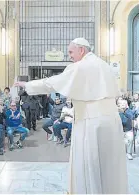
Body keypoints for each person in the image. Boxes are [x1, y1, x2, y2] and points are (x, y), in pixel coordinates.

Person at [14, 38, 128, 194]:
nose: (69, 56)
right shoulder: (105, 65)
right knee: (110, 167)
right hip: (111, 122)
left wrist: (27, 85)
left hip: (91, 122)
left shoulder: (81, 67)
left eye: (71, 52)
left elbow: (52, 83)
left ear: (81, 50)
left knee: (90, 166)